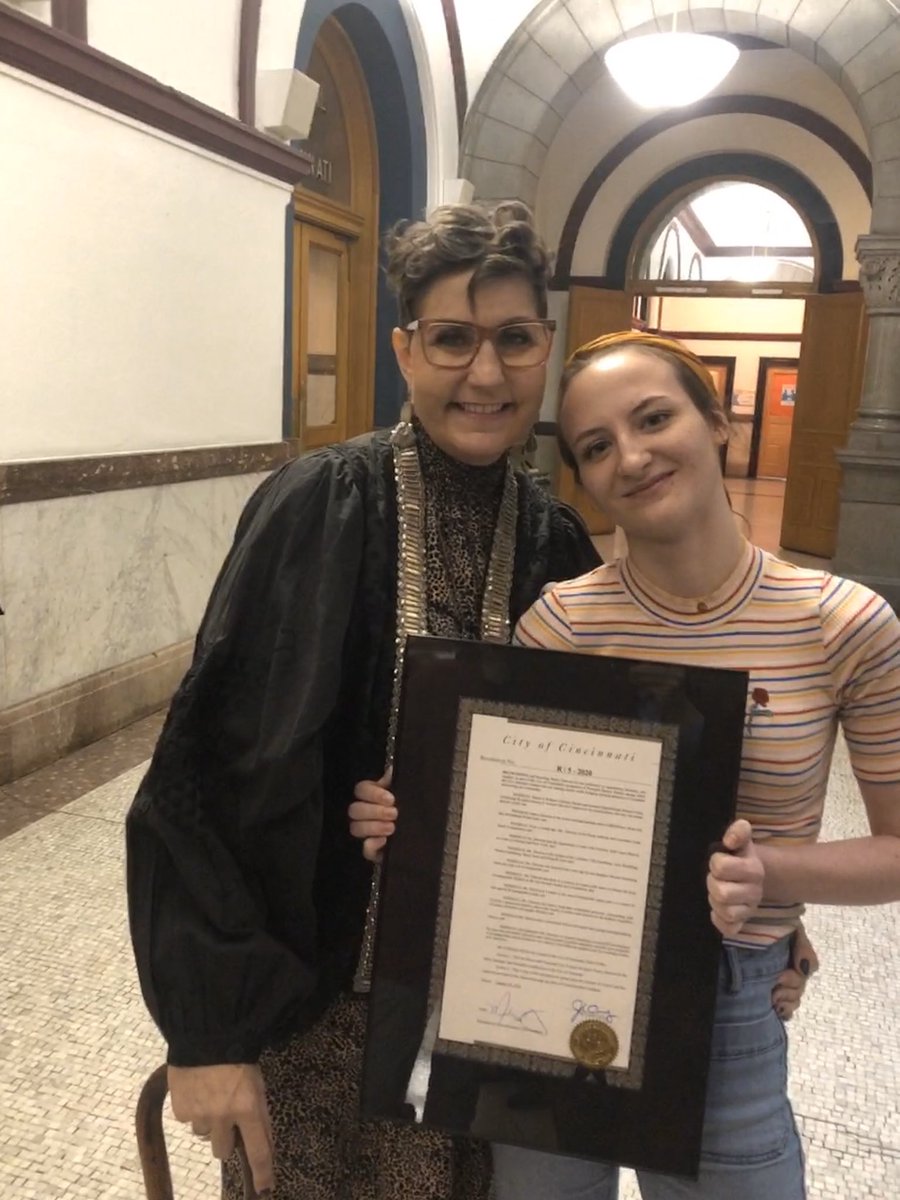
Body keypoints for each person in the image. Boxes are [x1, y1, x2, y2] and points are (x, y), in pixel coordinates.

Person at [349, 331, 899, 1200]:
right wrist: (408, 824)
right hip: (550, 985)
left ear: (716, 421)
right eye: (597, 447)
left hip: (729, 1002)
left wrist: (773, 878)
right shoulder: (560, 625)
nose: (633, 457)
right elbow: (514, 832)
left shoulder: (842, 623)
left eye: (655, 419)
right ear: (581, 477)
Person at [125, 200, 602, 1200]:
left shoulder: (559, 543)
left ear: (547, 346)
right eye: (453, 340)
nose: (486, 373)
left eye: (514, 340)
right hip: (316, 1014)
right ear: (404, 347)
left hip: (487, 1018)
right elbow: (208, 773)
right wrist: (208, 1030)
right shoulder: (320, 505)